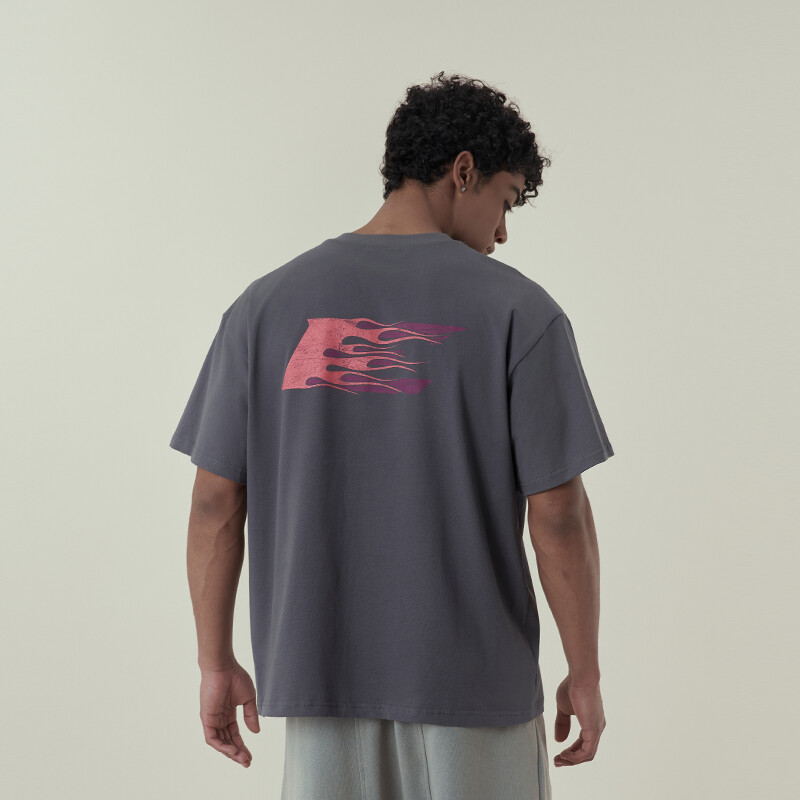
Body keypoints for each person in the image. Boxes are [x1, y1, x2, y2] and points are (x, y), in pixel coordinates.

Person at [169, 71, 614, 799]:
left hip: (319, 687)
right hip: (477, 692)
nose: (503, 233)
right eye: (505, 201)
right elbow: (559, 515)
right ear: (463, 172)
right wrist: (584, 672)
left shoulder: (263, 308)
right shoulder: (520, 312)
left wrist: (215, 663)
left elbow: (215, 503)